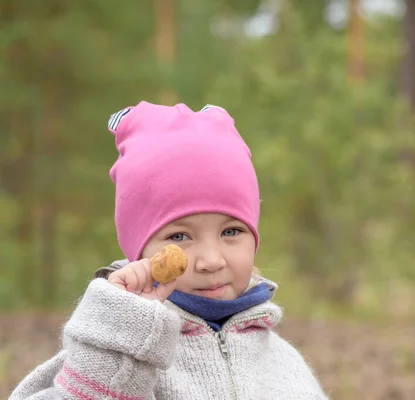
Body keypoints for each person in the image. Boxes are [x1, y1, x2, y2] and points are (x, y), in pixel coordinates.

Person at [10, 101, 328, 400]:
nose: (211, 261)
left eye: (231, 231)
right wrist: (123, 330)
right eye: (179, 236)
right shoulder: (106, 345)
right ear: (140, 252)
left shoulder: (284, 363)